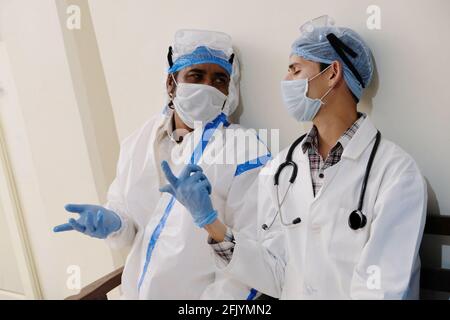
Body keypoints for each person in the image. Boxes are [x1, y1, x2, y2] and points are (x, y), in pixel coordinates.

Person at [162, 16, 427, 299]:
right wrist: (210, 222)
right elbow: (276, 275)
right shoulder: (279, 170)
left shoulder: (396, 173)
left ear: (333, 73)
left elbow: (382, 290)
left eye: (295, 69)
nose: (285, 81)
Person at [54, 29, 270, 299]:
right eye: (196, 76)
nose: (208, 86)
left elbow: (252, 259)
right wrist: (113, 222)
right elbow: (130, 224)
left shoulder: (245, 151)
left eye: (219, 79)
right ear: (171, 83)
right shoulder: (141, 140)